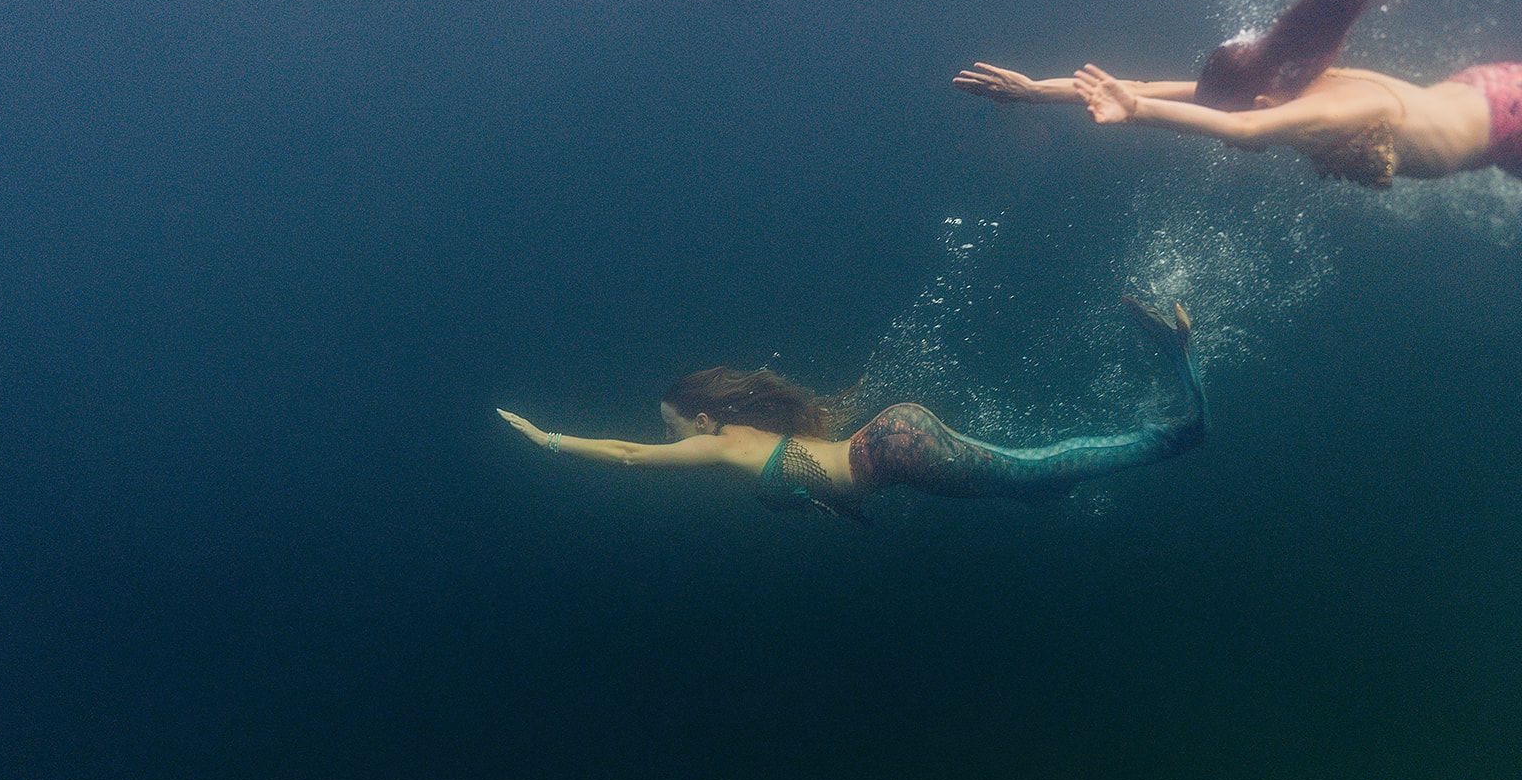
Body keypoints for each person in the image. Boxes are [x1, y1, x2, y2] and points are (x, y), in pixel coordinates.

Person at [496, 298, 1206, 520]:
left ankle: (1182, 416)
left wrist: (546, 439)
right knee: (1032, 484)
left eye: (671, 425)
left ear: (701, 421)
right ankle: (1165, 407)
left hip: (894, 447)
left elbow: (627, 456)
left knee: (1035, 469)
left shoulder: (719, 443)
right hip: (892, 445)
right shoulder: (749, 439)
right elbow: (810, 478)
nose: (667, 437)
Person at [953, 0, 1522, 189]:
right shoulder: (1285, 79)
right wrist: (1034, 92)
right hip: (1478, 91)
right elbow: (1137, 85)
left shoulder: (1329, 108)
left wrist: (1139, 112)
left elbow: (1238, 126)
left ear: (1263, 103)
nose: (1222, 138)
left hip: (1508, 122)